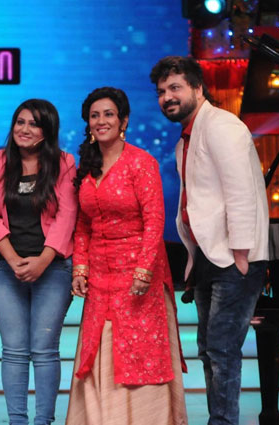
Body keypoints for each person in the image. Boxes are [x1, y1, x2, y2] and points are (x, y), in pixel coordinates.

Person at [150, 56, 268, 425]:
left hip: (234, 258)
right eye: (161, 92)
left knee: (221, 349)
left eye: (175, 88)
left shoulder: (221, 126)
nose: (167, 97)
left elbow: (241, 192)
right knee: (209, 349)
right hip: (207, 257)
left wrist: (241, 254)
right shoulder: (186, 139)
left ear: (198, 88)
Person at [65, 87, 187, 425]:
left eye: (108, 114)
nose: (101, 121)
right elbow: (82, 225)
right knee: (98, 350)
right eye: (94, 115)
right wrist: (80, 268)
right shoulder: (87, 166)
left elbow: (155, 220)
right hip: (100, 278)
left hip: (138, 275)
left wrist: (143, 271)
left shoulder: (141, 163)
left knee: (139, 353)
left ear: (124, 121)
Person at [0, 99, 77, 425]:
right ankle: (17, 421)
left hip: (53, 267)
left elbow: (66, 216)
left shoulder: (64, 163)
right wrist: (13, 259)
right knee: (14, 350)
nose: (24, 129)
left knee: (45, 348)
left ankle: (43, 421)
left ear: (47, 130)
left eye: (34, 124)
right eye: (20, 122)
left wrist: (42, 261)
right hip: (6, 268)